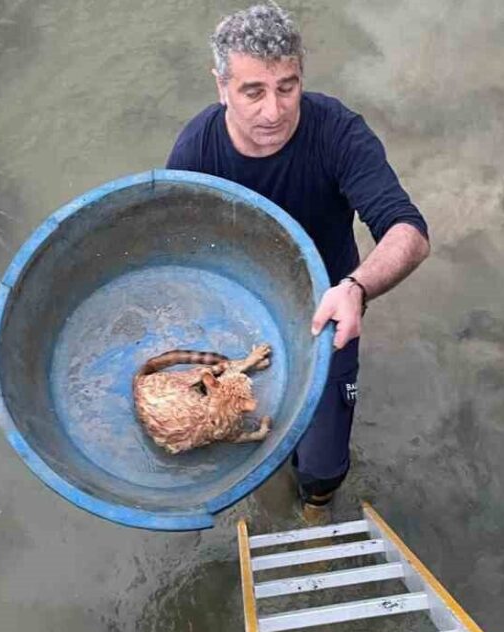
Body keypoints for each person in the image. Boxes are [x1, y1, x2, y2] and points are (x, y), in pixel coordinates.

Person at [165, 2, 430, 525]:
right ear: (221, 87)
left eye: (288, 87)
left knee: (323, 462)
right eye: (253, 91)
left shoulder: (337, 133)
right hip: (241, 318)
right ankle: (272, 491)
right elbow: (173, 250)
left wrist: (356, 287)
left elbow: (408, 231)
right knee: (255, 443)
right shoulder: (196, 150)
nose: (274, 111)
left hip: (327, 312)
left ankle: (315, 508)